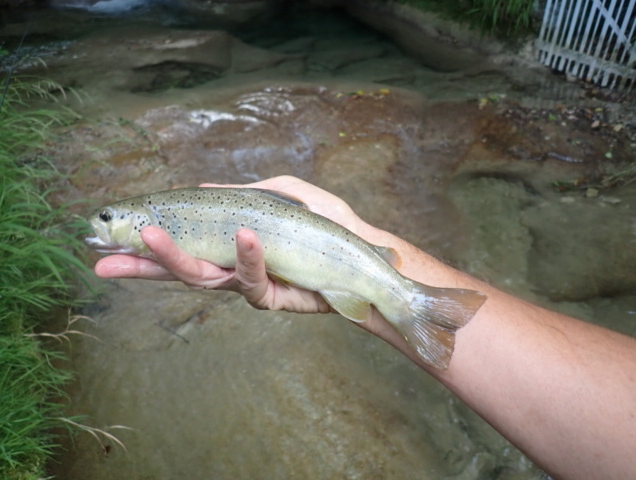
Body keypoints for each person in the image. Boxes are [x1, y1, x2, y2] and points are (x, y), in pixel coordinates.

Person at [94, 176, 636, 480]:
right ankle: (408, 300)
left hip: (335, 256)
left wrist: (383, 278)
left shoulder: (159, 214)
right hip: (325, 255)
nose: (101, 225)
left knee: (396, 298)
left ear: (139, 221)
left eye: (106, 218)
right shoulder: (160, 215)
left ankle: (409, 301)